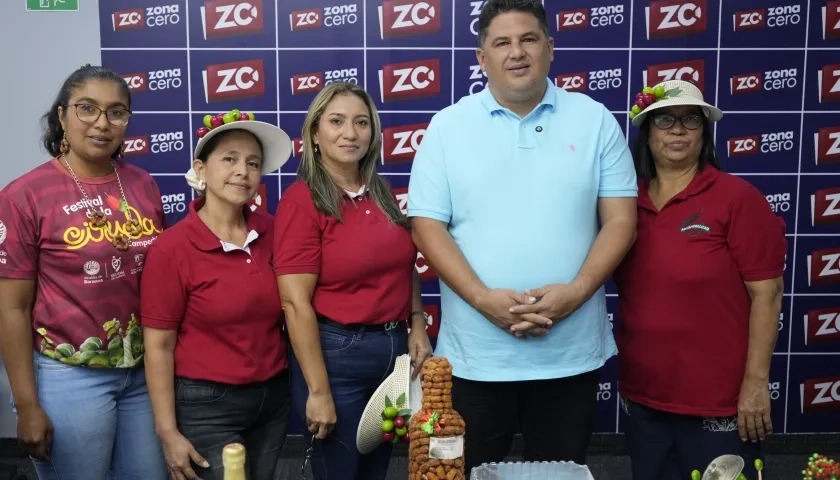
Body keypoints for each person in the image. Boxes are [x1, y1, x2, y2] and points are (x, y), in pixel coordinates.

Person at [407, 0, 638, 474]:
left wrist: (573, 295)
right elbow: (427, 226)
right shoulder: (447, 128)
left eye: (529, 39)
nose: (518, 52)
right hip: (475, 355)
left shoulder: (594, 120)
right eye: (503, 42)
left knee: (558, 473)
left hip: (569, 352)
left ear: (550, 49)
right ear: (481, 57)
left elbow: (621, 221)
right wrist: (483, 299)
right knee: (464, 472)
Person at [0, 64, 168, 479]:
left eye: (116, 112)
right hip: (69, 376)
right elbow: (12, 310)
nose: (102, 123)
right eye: (87, 109)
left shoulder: (143, 183)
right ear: (61, 115)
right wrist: (26, 405)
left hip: (142, 374)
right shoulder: (24, 195)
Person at [613, 79, 786, 480]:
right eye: (664, 120)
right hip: (643, 396)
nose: (677, 130)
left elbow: (769, 295)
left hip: (719, 401)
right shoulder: (623, 203)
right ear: (647, 132)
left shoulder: (737, 198)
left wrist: (756, 385)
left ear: (704, 132)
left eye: (690, 119)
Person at [273, 81, 433, 480]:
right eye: (337, 121)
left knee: (375, 472)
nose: (350, 132)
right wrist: (319, 390)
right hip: (337, 358)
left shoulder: (379, 191)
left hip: (393, 354)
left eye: (361, 122)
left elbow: (403, 264)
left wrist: (416, 324)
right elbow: (295, 304)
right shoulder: (301, 201)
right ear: (314, 133)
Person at [139, 114, 294, 480]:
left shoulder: (275, 231)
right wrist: (166, 431)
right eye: (230, 158)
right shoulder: (171, 249)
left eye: (253, 163)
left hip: (273, 400)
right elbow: (158, 346)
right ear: (200, 169)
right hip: (207, 406)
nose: (243, 171)